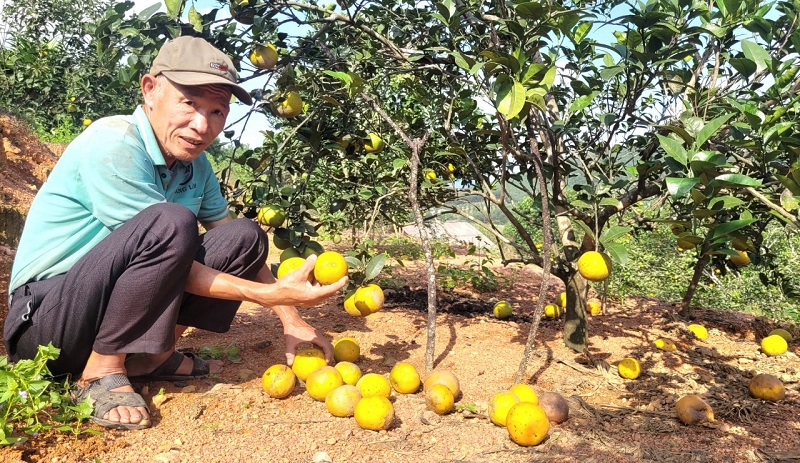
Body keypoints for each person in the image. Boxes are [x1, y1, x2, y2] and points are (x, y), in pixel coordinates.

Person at [3, 36, 347, 430]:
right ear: (150, 90)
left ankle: (151, 356)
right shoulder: (113, 141)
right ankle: (100, 371)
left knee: (245, 235)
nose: (202, 125)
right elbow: (165, 242)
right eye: (190, 103)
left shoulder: (196, 166)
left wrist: (290, 318)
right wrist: (265, 295)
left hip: (100, 309)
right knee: (170, 222)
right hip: (47, 324)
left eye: (217, 111)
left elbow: (233, 247)